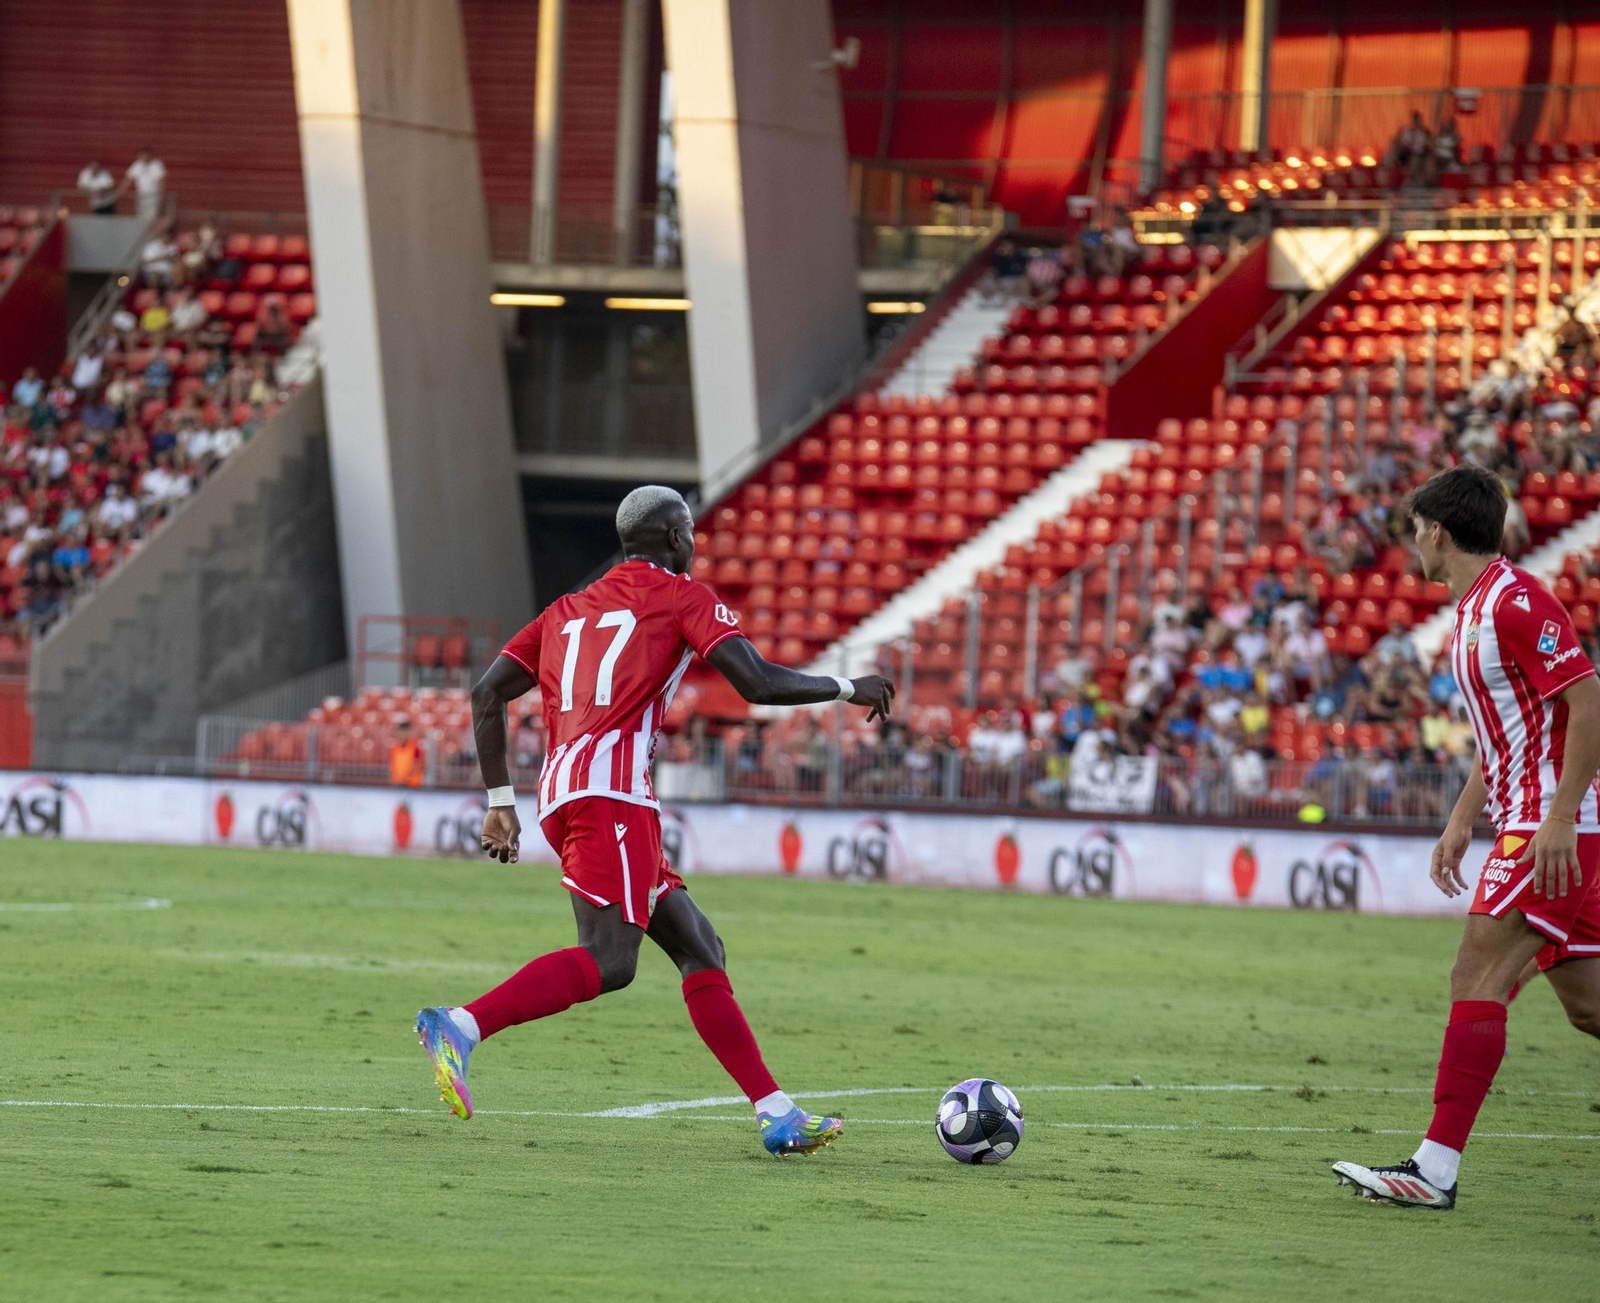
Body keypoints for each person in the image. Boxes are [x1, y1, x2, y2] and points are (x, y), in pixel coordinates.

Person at [414, 485, 894, 1158]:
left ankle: (776, 1111)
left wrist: (501, 799)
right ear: (674, 539)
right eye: (690, 532)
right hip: (612, 797)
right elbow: (755, 682)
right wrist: (848, 687)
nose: (694, 543)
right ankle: (461, 1025)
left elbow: (486, 690)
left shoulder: (567, 609)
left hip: (565, 792)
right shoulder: (680, 596)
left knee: (699, 944)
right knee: (611, 960)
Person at [1334, 465, 1600, 1210]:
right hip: (1536, 820)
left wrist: (1559, 815)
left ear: (1438, 530)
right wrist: (1460, 818)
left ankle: (1433, 1169)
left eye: (1416, 527)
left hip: (1550, 826)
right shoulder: (1474, 609)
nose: (1412, 540)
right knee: (1588, 1007)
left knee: (1475, 976)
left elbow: (1588, 700)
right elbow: (1509, 731)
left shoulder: (1517, 602)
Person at [122, 148, 166, 219]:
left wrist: (161, 193)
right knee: (140, 215)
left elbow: (160, 180)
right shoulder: (137, 165)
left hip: (153, 195)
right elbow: (129, 178)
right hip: (141, 195)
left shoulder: (156, 165)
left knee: (152, 216)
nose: (143, 158)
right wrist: (122, 190)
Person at [389, 719, 425, 787]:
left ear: (408, 733)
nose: (402, 735)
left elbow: (417, 765)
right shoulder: (395, 748)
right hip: (398, 785)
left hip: (412, 786)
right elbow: (392, 766)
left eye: (404, 732)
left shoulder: (415, 746)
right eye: (400, 732)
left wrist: (405, 779)